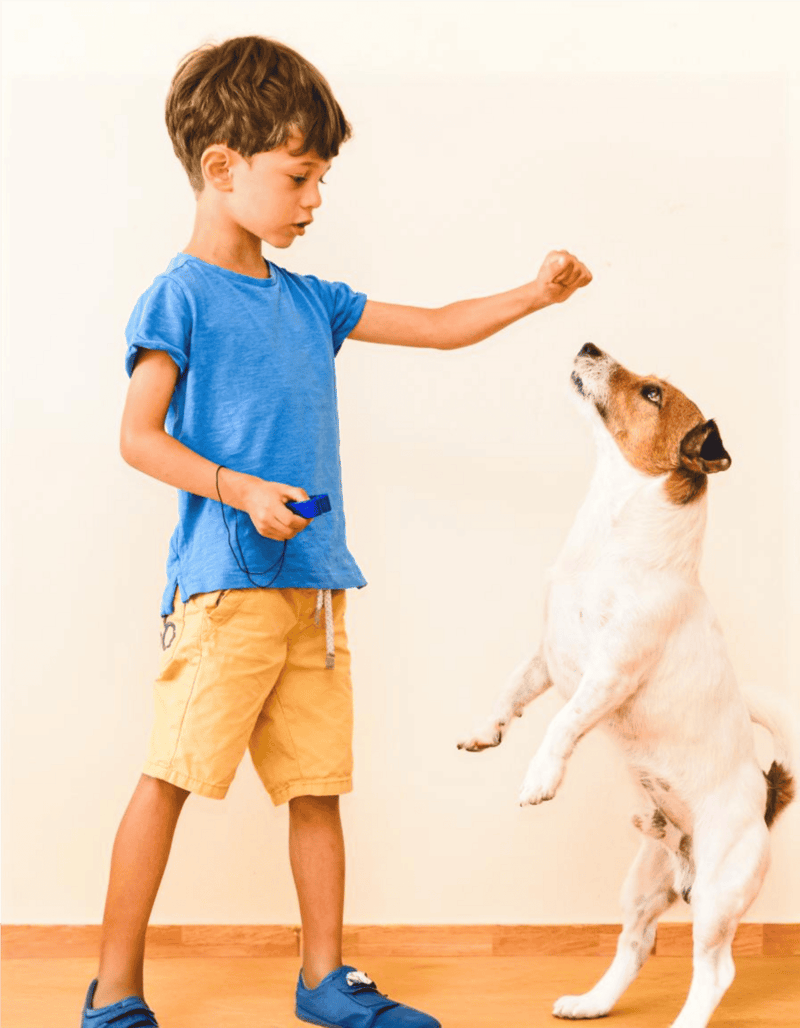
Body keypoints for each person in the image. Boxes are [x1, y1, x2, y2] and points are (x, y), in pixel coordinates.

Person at [80, 34, 592, 1028]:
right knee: (169, 779)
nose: (314, 199)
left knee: (316, 789)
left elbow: (439, 325)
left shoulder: (309, 301)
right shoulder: (179, 296)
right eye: (299, 175)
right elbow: (137, 437)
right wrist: (238, 488)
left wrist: (536, 292)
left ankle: (325, 978)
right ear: (222, 168)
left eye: (321, 178)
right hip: (223, 595)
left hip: (314, 594)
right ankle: (115, 985)